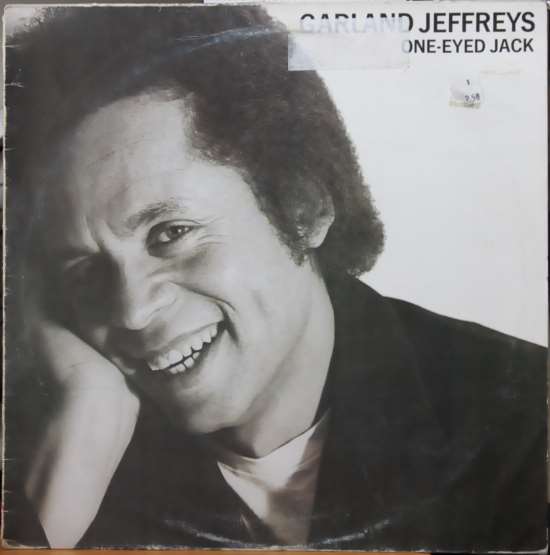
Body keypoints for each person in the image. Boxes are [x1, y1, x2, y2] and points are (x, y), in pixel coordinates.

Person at [3, 5, 546, 551]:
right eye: (85, 270)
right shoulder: (56, 450)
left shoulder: (525, 421)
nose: (132, 311)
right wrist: (84, 436)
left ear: (302, 206)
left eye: (171, 234)